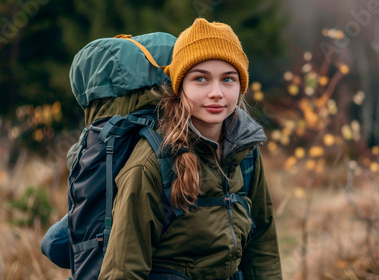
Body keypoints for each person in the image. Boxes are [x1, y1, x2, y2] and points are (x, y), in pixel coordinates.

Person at [98, 18, 283, 280]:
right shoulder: (152, 162)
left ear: (241, 86)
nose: (216, 92)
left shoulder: (245, 151)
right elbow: (123, 270)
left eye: (228, 79)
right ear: (180, 86)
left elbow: (263, 247)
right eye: (201, 79)